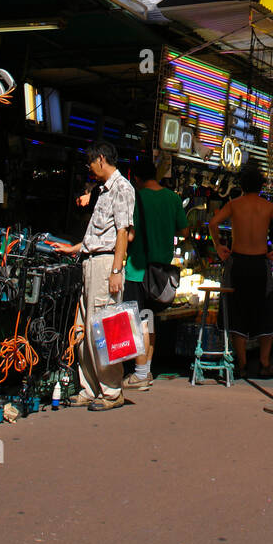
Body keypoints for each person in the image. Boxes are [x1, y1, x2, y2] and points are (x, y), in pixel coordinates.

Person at [56, 142, 135, 411]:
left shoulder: (122, 188)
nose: (89, 168)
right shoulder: (102, 191)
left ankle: (112, 392)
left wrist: (116, 270)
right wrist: (73, 248)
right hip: (91, 261)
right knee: (84, 328)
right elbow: (98, 235)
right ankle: (89, 388)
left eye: (91, 162)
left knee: (103, 329)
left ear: (101, 159)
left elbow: (123, 233)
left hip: (105, 265)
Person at [208, 162, 273, 379]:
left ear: (242, 185)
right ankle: (264, 363)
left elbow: (213, 223)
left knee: (238, 310)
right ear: (261, 186)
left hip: (237, 263)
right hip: (259, 264)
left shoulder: (234, 205)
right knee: (264, 311)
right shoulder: (268, 207)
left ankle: (242, 363)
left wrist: (219, 246)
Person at [122, 158, 191, 390]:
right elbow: (185, 229)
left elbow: (128, 233)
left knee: (138, 320)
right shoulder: (172, 198)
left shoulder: (137, 197)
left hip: (137, 269)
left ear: (137, 179)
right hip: (160, 272)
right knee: (149, 319)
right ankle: (147, 369)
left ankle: (140, 373)